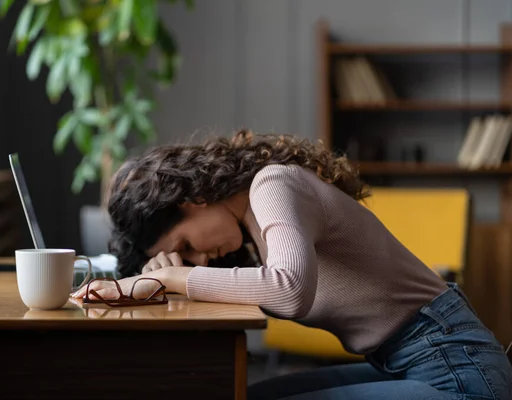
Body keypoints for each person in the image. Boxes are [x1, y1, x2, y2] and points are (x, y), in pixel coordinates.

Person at [72, 130, 512, 399]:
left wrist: (179, 275)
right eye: (185, 256)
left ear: (193, 199)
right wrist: (165, 280)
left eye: (186, 244)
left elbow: (289, 290)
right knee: (244, 395)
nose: (198, 259)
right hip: (408, 359)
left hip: (455, 368)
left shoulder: (272, 185)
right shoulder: (255, 228)